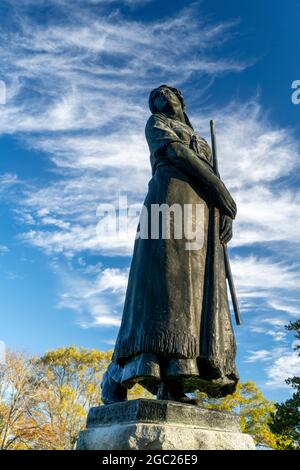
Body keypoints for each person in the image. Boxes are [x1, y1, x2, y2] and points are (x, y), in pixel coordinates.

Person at [101, 85, 239, 404]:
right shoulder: (157, 125)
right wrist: (221, 190)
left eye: (166, 93)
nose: (159, 99)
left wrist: (222, 211)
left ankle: (174, 380)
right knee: (163, 287)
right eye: (154, 98)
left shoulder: (200, 138)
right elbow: (176, 153)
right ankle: (118, 374)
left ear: (180, 99)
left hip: (201, 214)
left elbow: (206, 172)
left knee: (190, 297)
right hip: (167, 205)